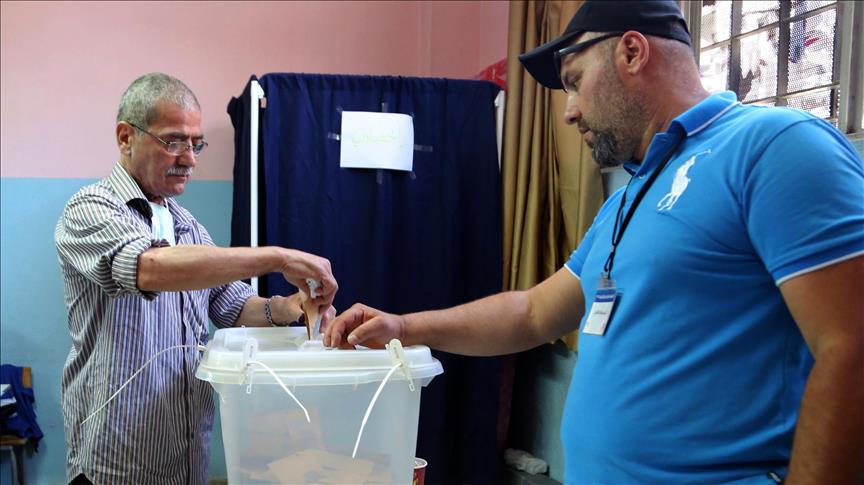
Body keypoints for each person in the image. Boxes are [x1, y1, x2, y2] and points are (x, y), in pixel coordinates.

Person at [325, 1, 864, 483]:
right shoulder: (631, 196)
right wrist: (404, 327)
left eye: (575, 81)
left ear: (632, 51)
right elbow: (533, 313)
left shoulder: (774, 146)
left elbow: (852, 345)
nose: (568, 110)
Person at [55, 72, 338, 484]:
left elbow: (232, 306)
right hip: (115, 463)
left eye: (196, 143)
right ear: (125, 137)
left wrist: (289, 307)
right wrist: (278, 257)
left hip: (186, 459)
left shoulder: (188, 227)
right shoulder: (90, 208)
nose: (190, 159)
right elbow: (150, 268)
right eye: (173, 141)